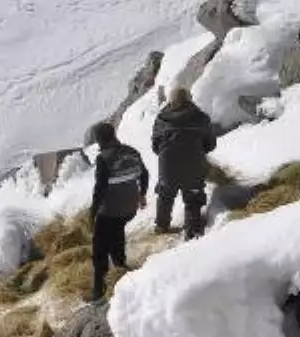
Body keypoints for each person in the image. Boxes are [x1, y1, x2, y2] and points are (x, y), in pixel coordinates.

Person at [87, 121, 149, 303]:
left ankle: (99, 292)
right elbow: (145, 174)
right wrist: (142, 195)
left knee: (100, 249)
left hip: (111, 211)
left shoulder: (104, 158)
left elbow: (100, 189)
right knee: (117, 234)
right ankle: (120, 268)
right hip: (129, 208)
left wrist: (92, 213)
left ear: (99, 140)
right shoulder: (132, 151)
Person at [151, 87, 217, 240]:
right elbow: (211, 144)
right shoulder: (201, 118)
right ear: (189, 99)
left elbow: (155, 146)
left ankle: (162, 226)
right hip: (193, 166)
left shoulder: (161, 119)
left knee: (165, 194)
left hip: (168, 166)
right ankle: (192, 232)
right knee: (193, 198)